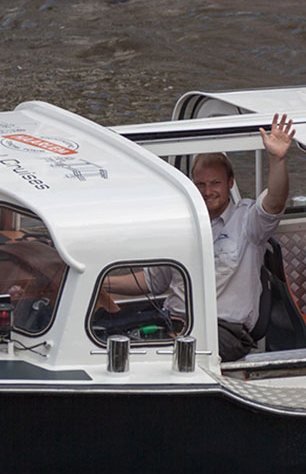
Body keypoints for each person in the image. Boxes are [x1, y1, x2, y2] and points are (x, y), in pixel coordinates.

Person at [122, 115, 295, 361]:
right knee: (114, 338)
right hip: (173, 322)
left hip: (225, 331)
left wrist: (278, 159)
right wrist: (104, 285)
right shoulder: (181, 225)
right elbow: (152, 282)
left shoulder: (247, 221)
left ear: (230, 183)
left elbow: (275, 202)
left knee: (163, 358)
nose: (207, 191)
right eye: (200, 184)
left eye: (215, 183)